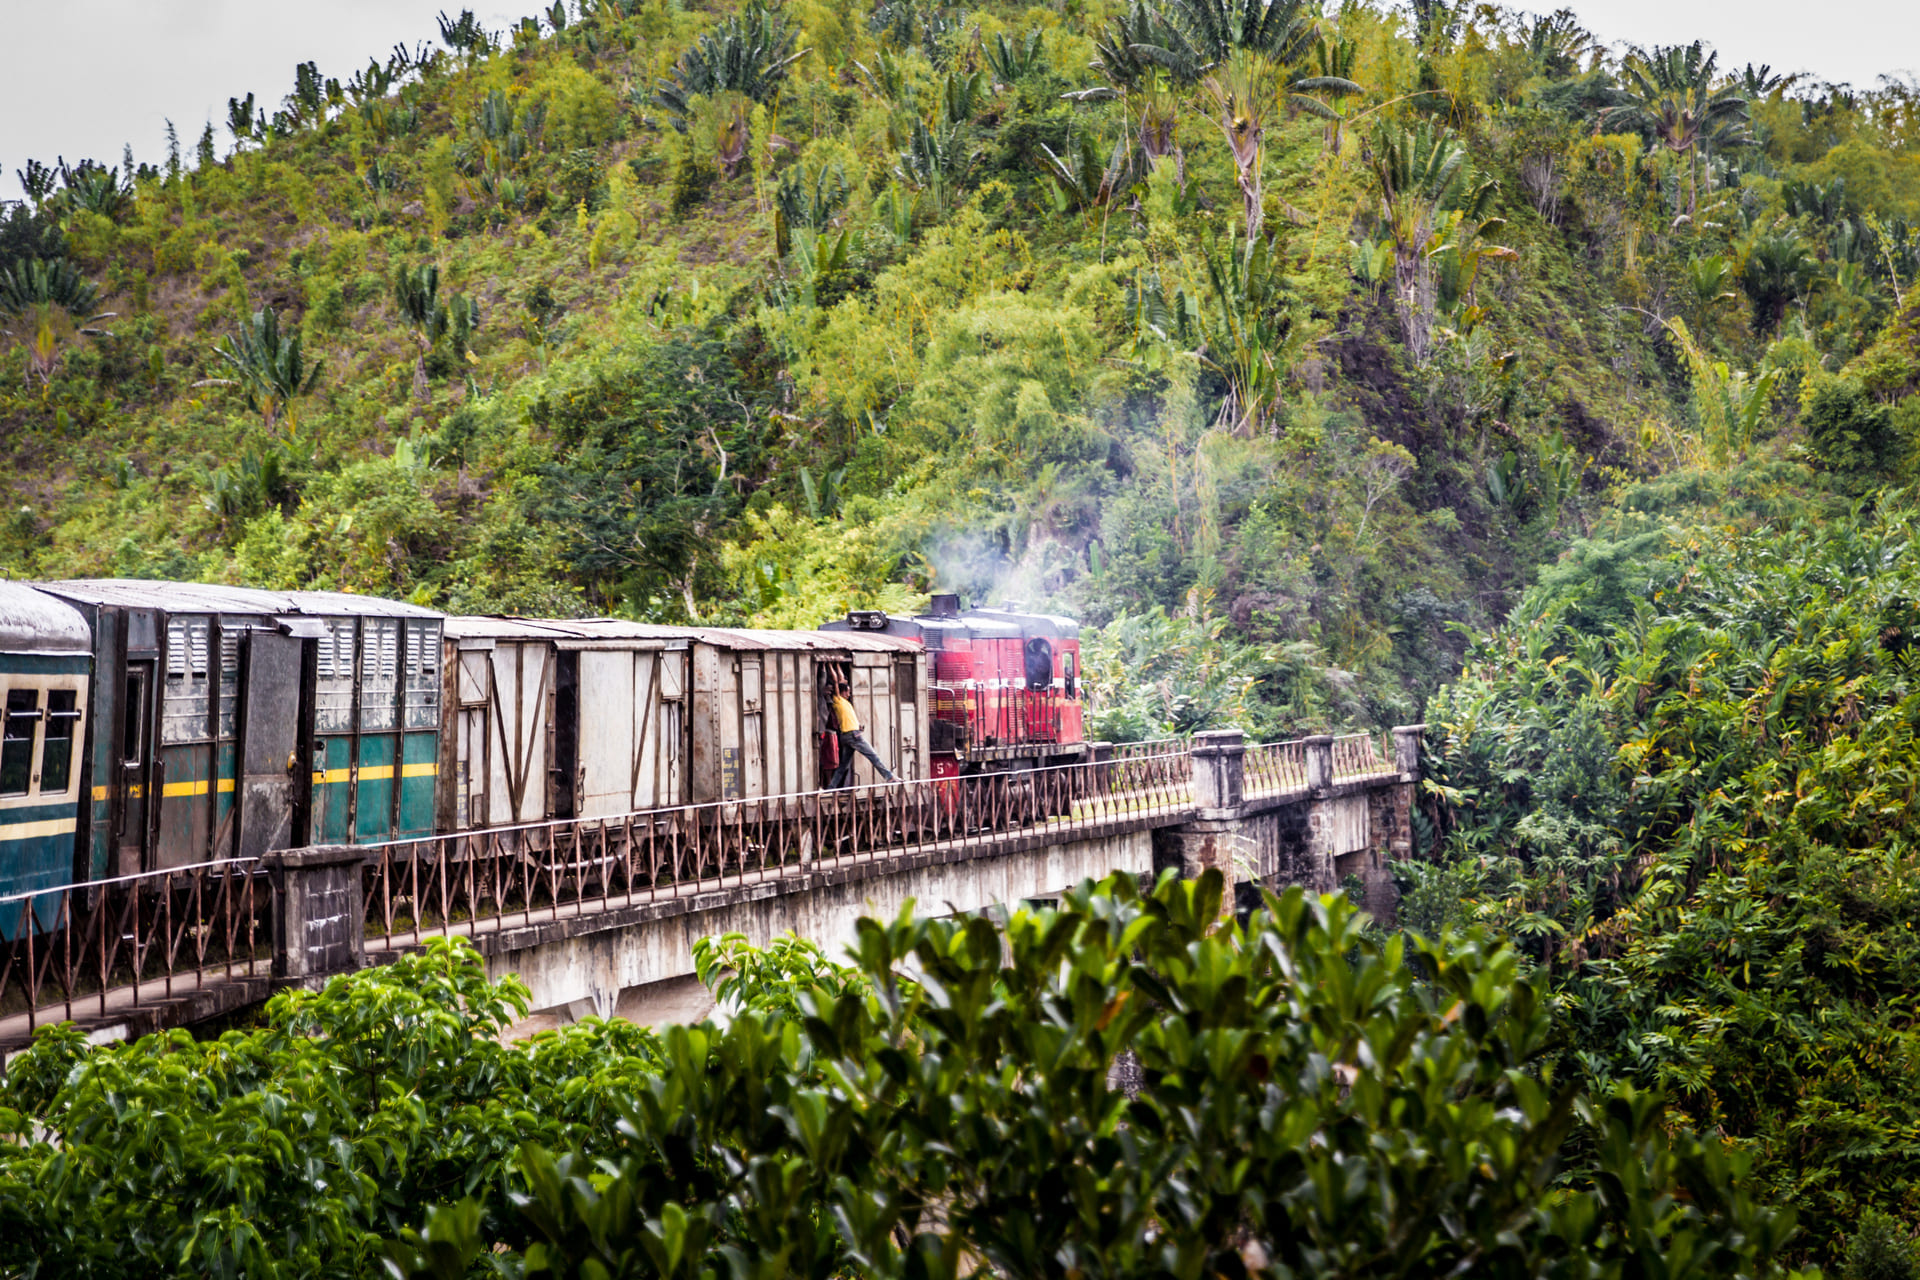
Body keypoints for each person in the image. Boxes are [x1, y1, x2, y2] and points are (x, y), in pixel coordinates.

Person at [827, 681, 896, 787]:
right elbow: (836, 681)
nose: (849, 694)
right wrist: (832, 666)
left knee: (843, 766)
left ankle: (831, 788)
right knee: (873, 756)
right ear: (842, 692)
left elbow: (840, 679)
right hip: (853, 735)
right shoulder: (838, 700)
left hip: (848, 735)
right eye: (848, 692)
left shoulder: (845, 702)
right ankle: (889, 776)